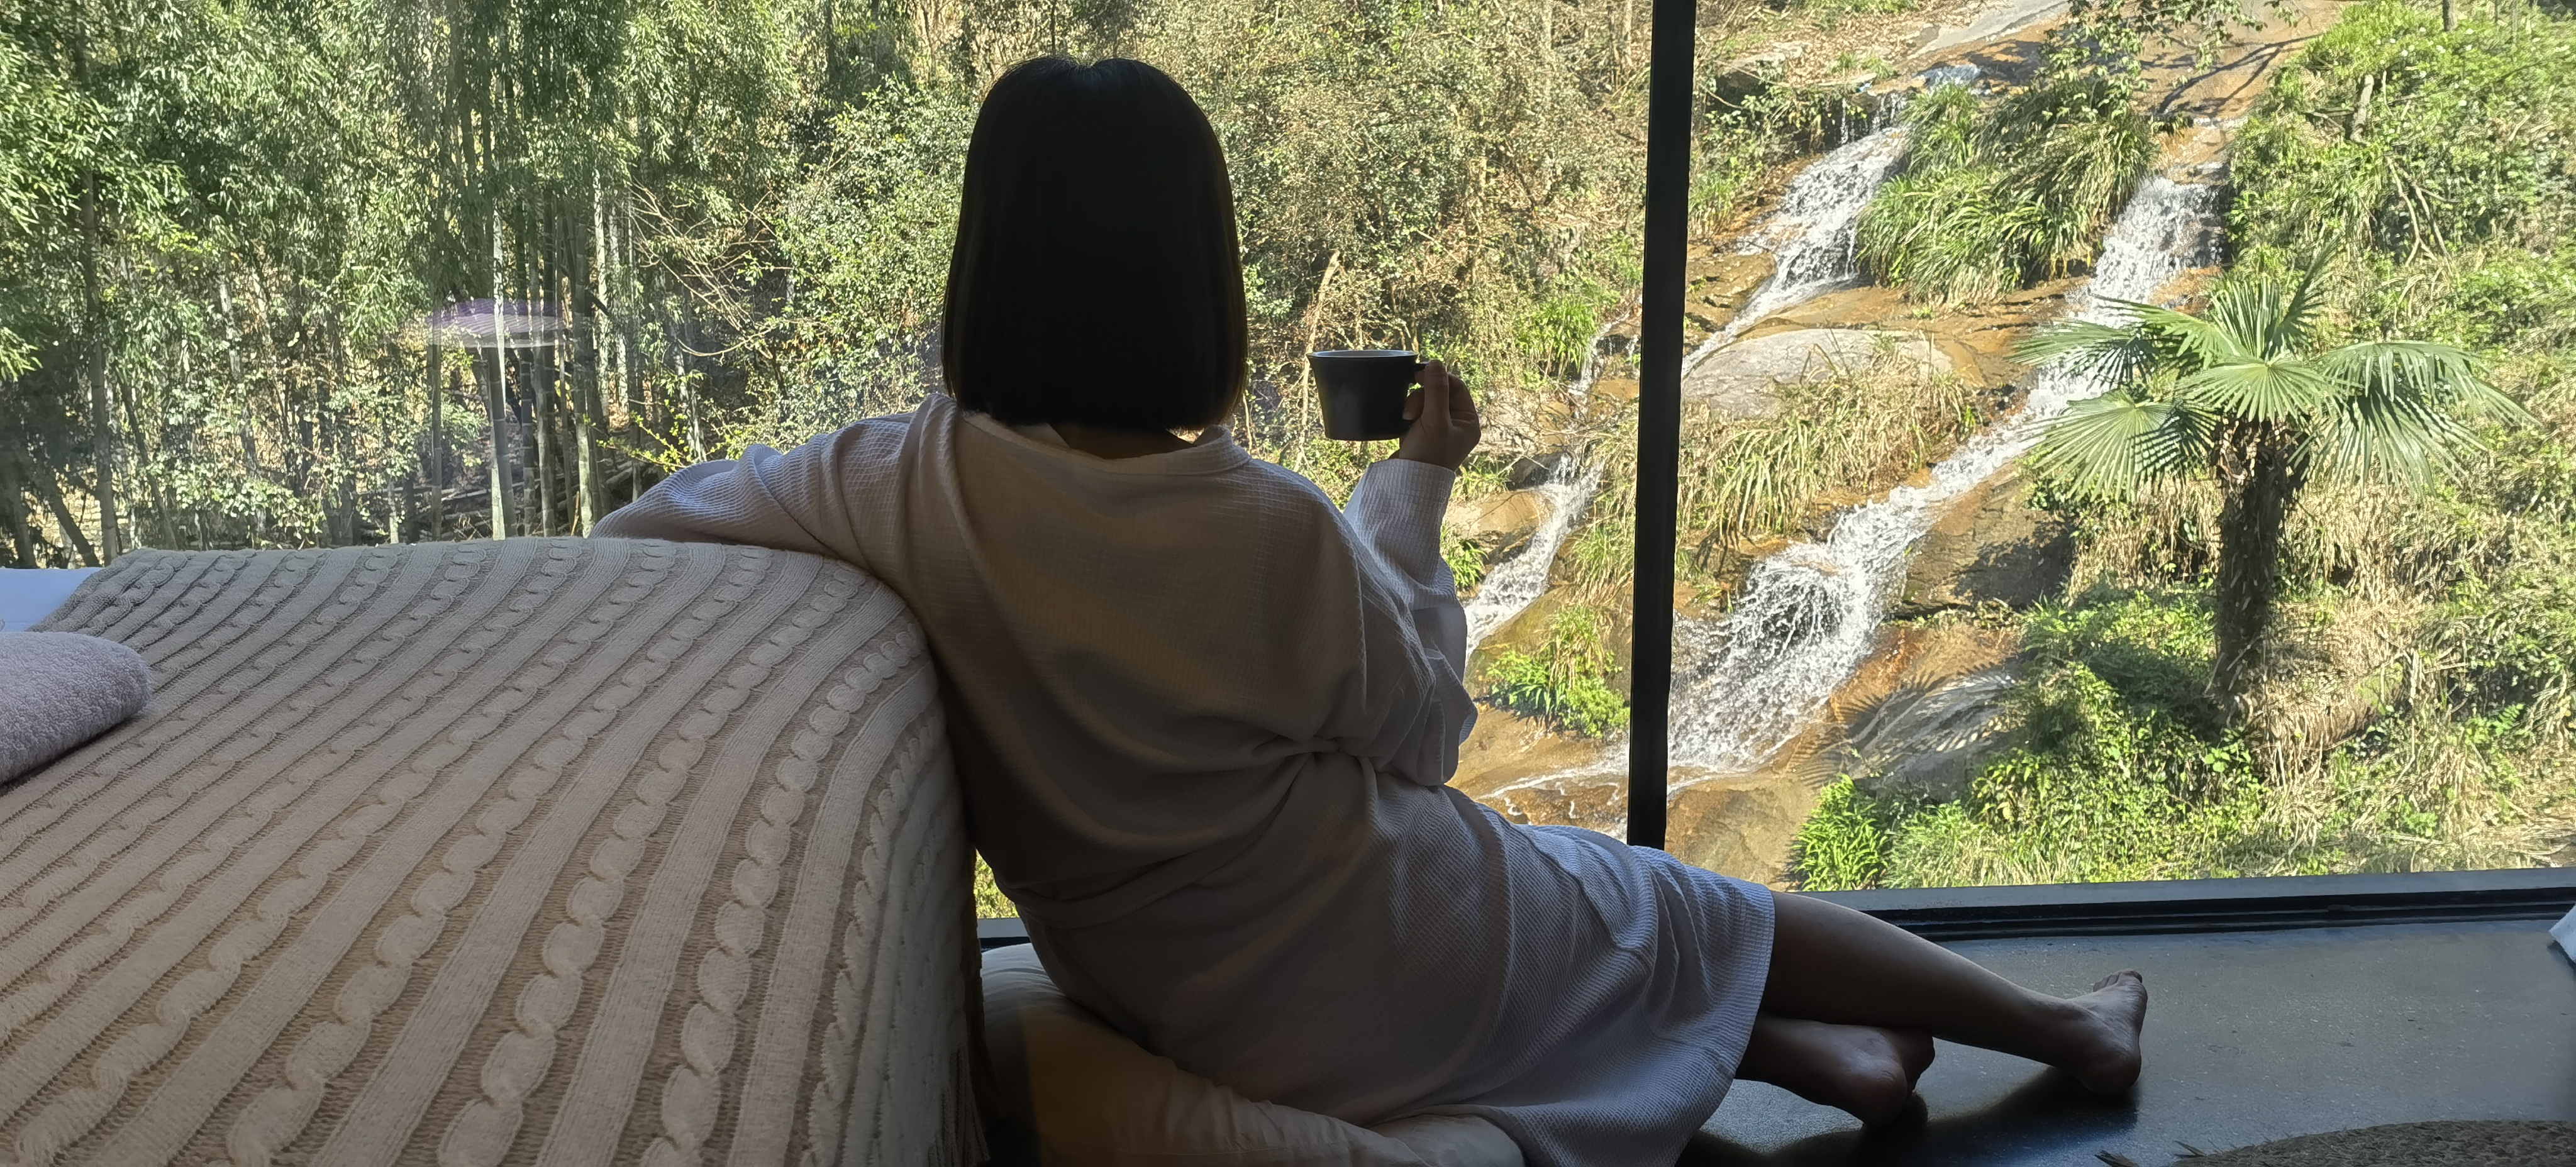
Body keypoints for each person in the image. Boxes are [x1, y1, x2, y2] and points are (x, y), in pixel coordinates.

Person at [592, 55, 2146, 1167]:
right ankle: (2070, 1027)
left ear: (982, 263)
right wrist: (1411, 487)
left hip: (1177, 994)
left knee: (1600, 925)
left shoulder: (885, 484)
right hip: (1384, 956)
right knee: (1677, 904)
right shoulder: (1259, 524)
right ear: (1196, 279)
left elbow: (644, 526)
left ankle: (1828, 1055)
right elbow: (1418, 734)